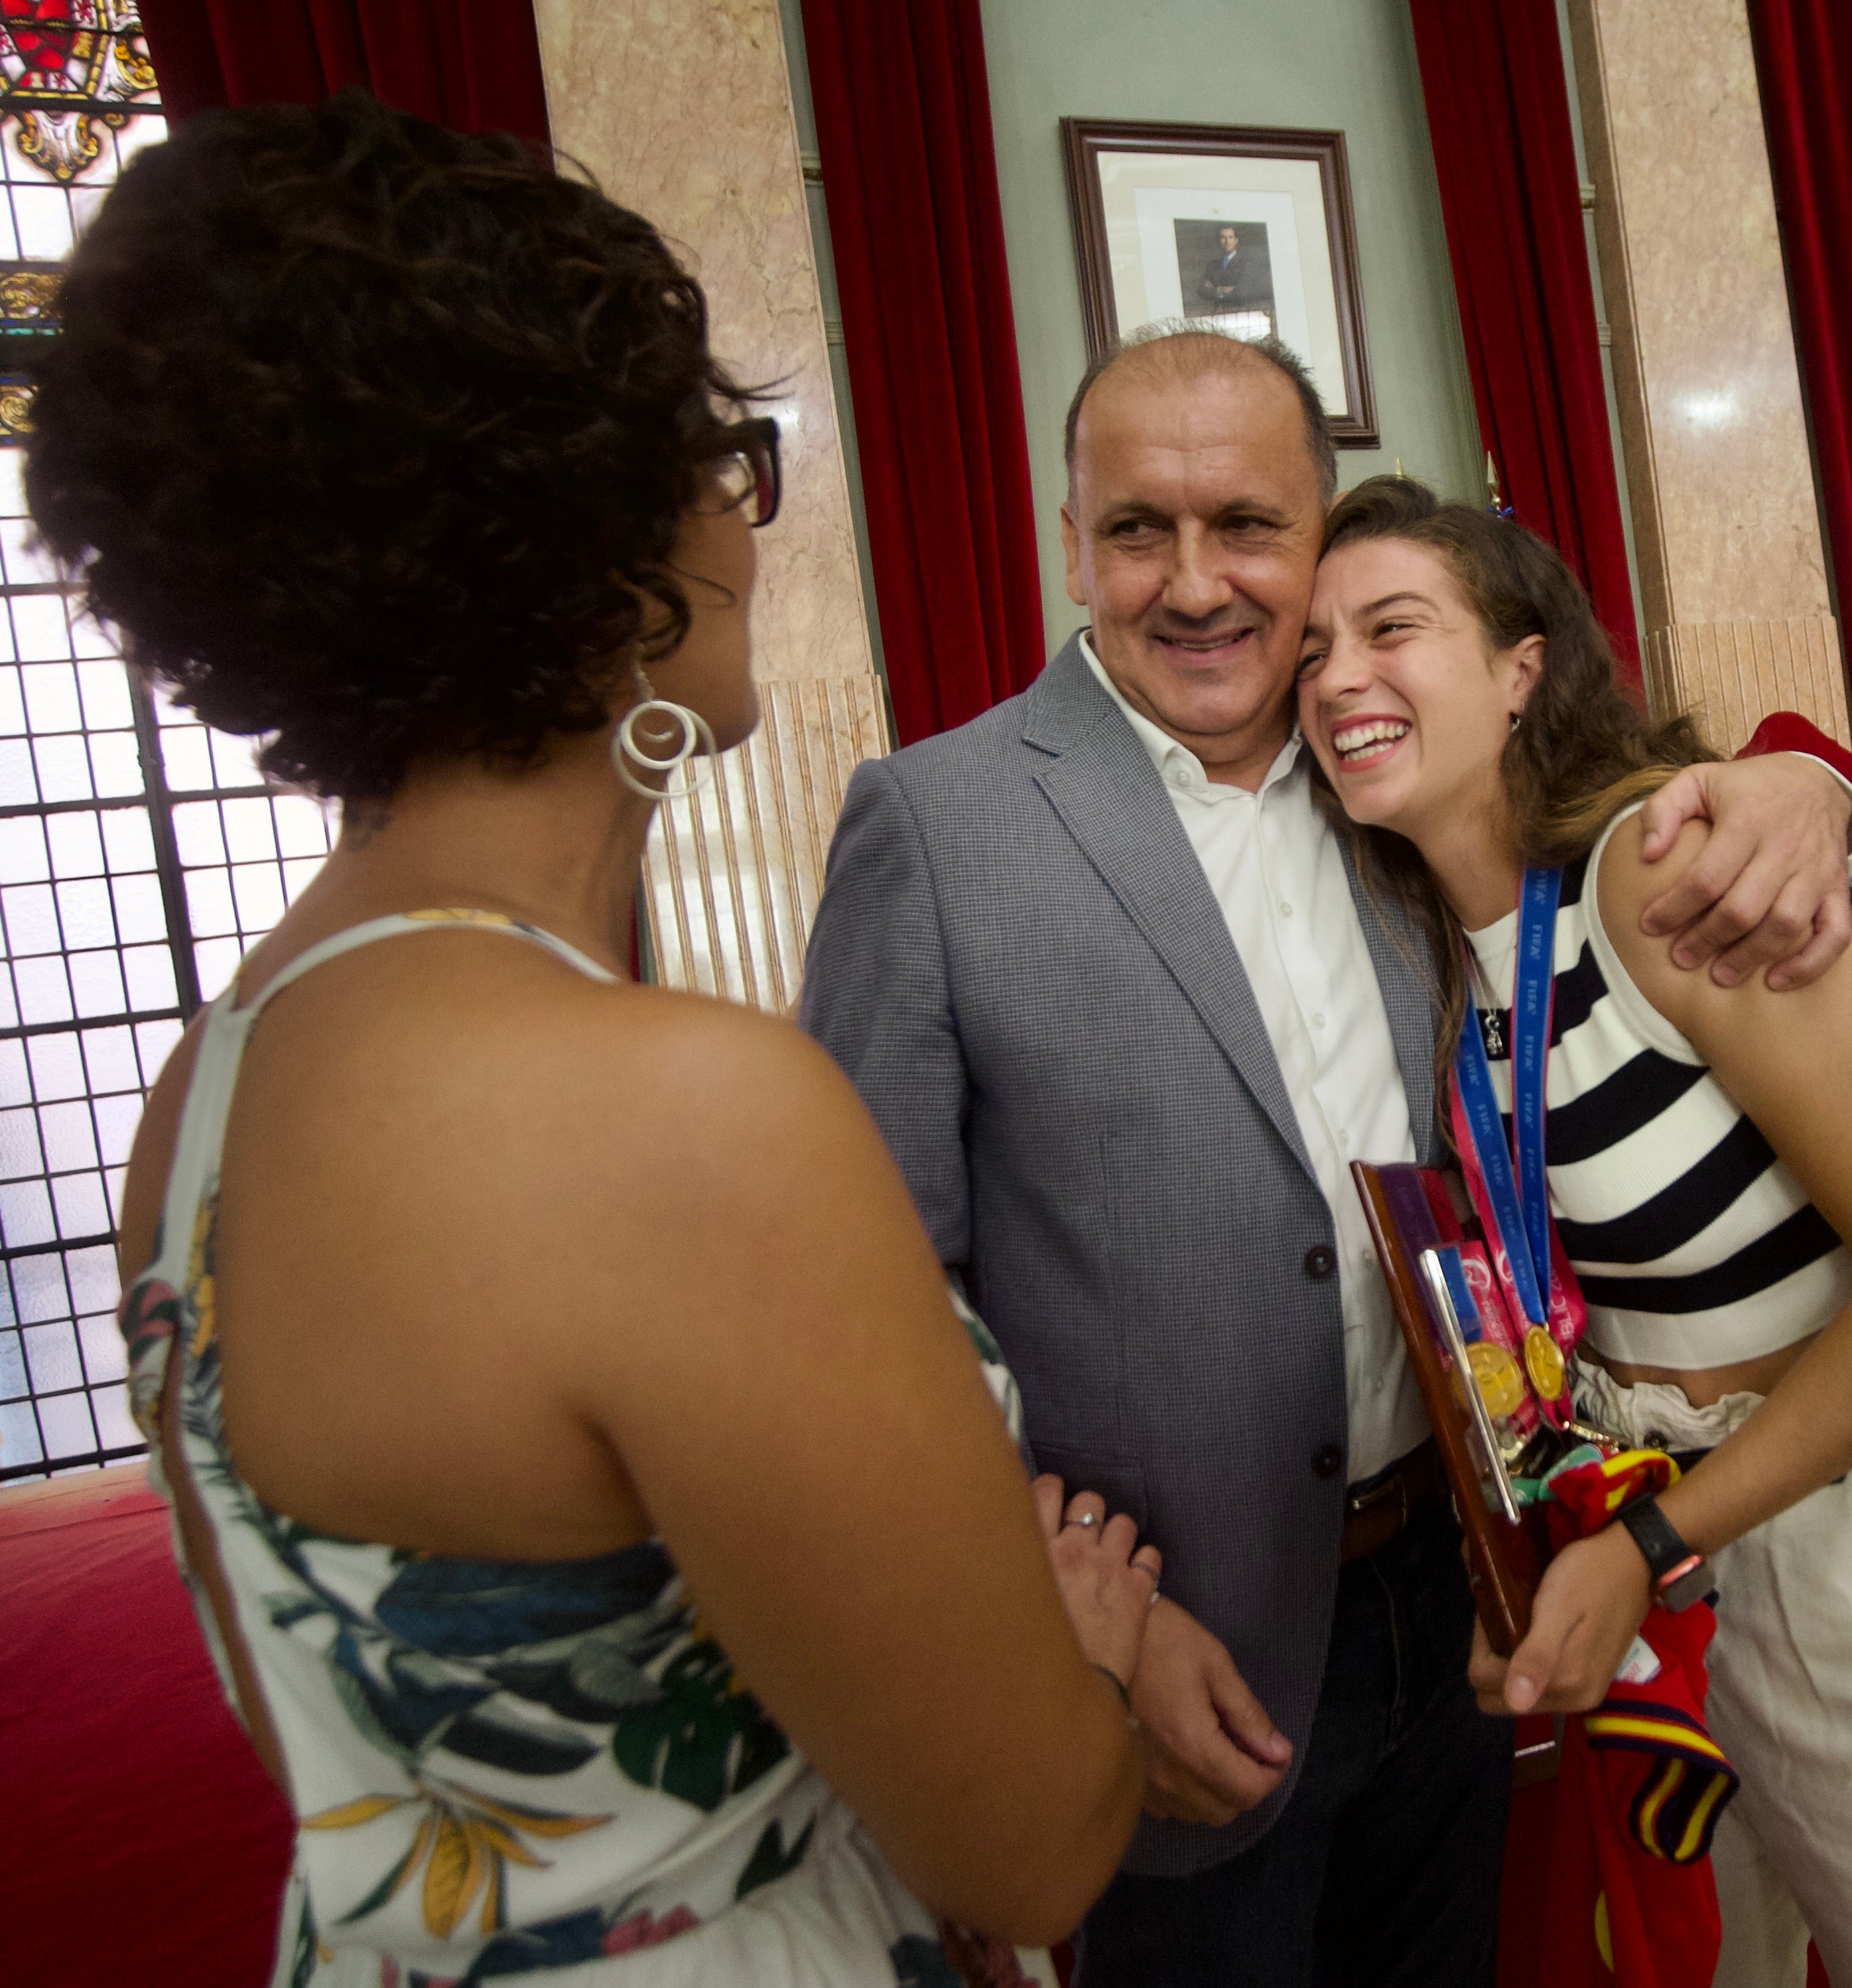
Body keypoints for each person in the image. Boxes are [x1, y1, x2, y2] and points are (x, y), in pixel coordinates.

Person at [45, 96, 1153, 1986]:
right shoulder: (671, 1111)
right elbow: (1031, 1841)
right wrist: (1086, 1648)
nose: (747, 513)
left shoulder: (209, 1080)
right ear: (605, 550)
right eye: (725, 460)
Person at [799, 327, 1852, 1986]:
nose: (1193, 585)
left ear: (1317, 535)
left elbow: (1661, 824)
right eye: (1136, 531)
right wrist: (1064, 1613)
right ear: (1069, 538)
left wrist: (1813, 792)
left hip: (1458, 1602)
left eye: (1246, 526)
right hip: (1181, 1655)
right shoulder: (941, 822)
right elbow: (865, 1304)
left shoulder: (1394, 783)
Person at [1295, 476, 1852, 1988]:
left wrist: (1657, 1536)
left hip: (1850, 1553)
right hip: (1662, 1577)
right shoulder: (1430, 966)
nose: (1338, 676)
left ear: (1520, 667)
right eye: (1314, 651)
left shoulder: (1661, 877)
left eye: (1391, 628)